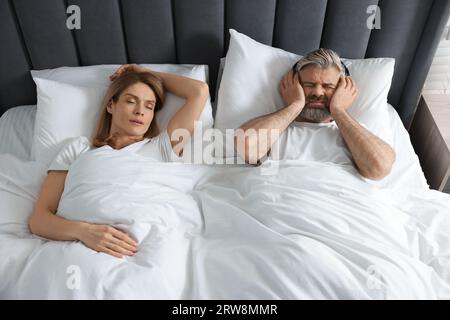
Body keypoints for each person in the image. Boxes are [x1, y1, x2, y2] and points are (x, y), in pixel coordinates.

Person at [28, 64, 209, 258]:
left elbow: (199, 91)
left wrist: (142, 73)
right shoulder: (78, 148)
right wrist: (84, 231)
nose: (140, 111)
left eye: (149, 106)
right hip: (80, 246)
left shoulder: (162, 147)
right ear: (110, 105)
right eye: (131, 101)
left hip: (144, 248)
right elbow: (39, 220)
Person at [235, 48, 395, 180]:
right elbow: (245, 147)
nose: (318, 92)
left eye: (328, 86)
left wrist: (339, 111)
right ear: (294, 84)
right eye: (309, 84)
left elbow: (379, 167)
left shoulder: (355, 134)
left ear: (342, 89)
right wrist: (295, 105)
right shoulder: (275, 130)